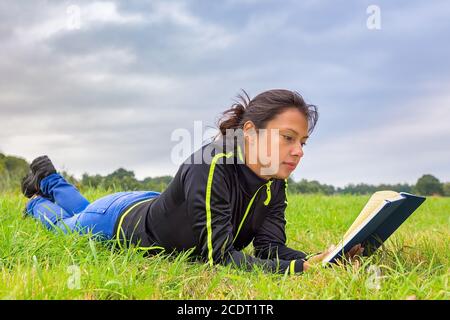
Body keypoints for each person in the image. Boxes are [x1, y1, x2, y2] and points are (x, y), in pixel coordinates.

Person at [21, 89, 363, 274]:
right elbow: (219, 258)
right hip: (119, 220)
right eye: (288, 137)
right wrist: (299, 269)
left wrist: (321, 258)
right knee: (68, 226)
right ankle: (39, 197)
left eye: (302, 142)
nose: (298, 151)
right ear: (250, 132)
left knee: (83, 211)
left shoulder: (274, 181)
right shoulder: (212, 163)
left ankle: (48, 178)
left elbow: (269, 248)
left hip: (148, 202)